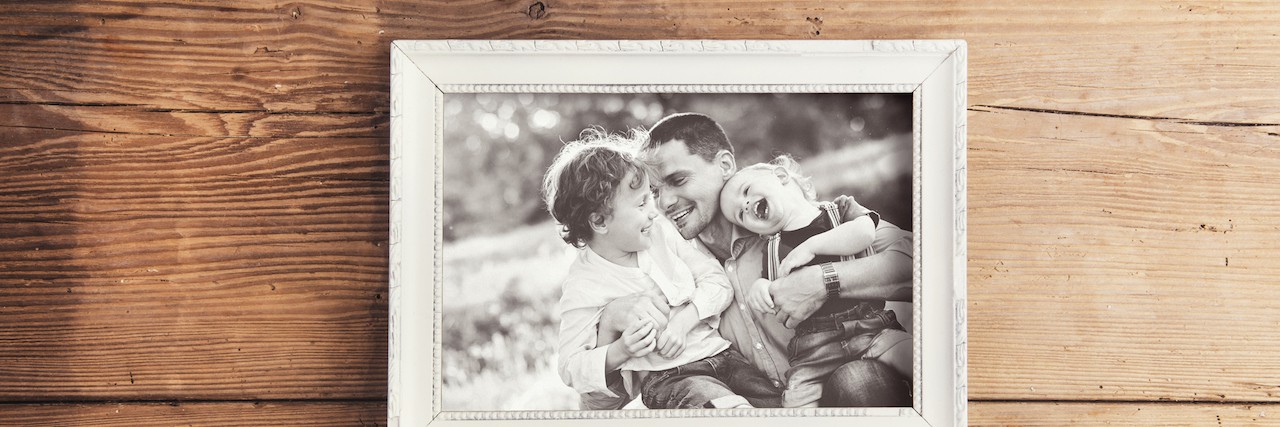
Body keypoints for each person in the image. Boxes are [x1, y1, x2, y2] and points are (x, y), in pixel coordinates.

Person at [583, 113, 912, 409]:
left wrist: (822, 281)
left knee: (859, 379)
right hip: (751, 409)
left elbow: (922, 265)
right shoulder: (661, 267)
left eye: (678, 181)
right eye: (654, 192)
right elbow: (598, 407)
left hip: (835, 393)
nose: (666, 202)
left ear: (725, 165)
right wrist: (609, 327)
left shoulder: (797, 222)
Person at [544, 131, 781, 409]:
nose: (655, 211)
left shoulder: (660, 235)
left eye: (650, 198)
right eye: (641, 203)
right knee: (726, 409)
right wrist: (619, 351)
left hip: (722, 355)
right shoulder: (584, 284)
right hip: (673, 379)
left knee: (774, 405)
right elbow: (571, 367)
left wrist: (684, 322)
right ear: (598, 221)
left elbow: (716, 281)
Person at [719, 156, 913, 407]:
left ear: (781, 176)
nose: (744, 206)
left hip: (870, 328)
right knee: (795, 403)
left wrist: (811, 246)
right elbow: (773, 285)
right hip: (814, 349)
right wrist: (761, 288)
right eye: (739, 215)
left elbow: (864, 233)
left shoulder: (840, 209)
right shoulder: (771, 248)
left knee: (917, 359)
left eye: (746, 191)